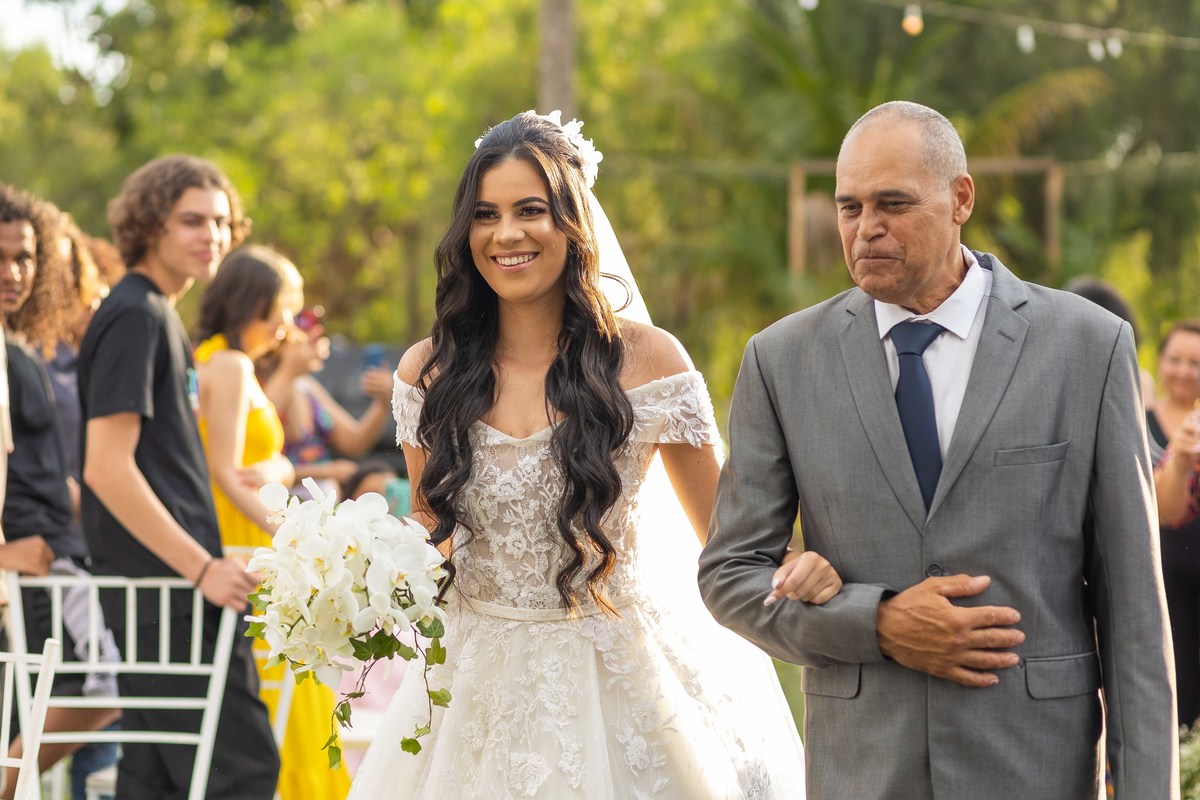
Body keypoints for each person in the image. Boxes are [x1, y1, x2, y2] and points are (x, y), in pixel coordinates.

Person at [349, 110, 842, 799]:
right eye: (486, 215)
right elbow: (433, 540)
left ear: (573, 224)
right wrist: (351, 575)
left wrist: (805, 571)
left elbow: (731, 540)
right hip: (472, 694)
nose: (507, 234)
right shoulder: (428, 373)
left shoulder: (648, 362)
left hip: (618, 679)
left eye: (531, 210)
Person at [698, 100, 1177, 800]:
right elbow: (730, 575)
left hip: (1033, 768)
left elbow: (1135, 616)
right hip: (864, 772)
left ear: (961, 199)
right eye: (850, 207)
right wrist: (879, 624)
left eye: (892, 203)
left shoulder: (1086, 346)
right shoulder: (782, 361)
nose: (867, 229)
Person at [78, 155, 279, 799]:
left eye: (221, 222)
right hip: (168, 593)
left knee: (155, 779)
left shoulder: (155, 313)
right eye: (192, 220)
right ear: (150, 224)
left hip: (165, 593)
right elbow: (105, 468)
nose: (211, 236)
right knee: (242, 773)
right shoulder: (136, 314)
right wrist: (201, 568)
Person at [193, 244, 349, 799]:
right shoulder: (231, 365)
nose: (289, 325)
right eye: (284, 309)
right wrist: (296, 538)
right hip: (244, 538)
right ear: (252, 303)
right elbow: (227, 472)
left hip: (242, 531)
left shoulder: (214, 360)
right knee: (287, 691)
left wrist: (278, 464)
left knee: (282, 691)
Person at [0, 185, 120, 799]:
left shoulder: (17, 348)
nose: (13, 272)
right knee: (109, 686)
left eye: (23, 256)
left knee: (103, 689)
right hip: (32, 566)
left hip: (53, 559)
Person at [259, 323, 395, 498]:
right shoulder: (260, 387)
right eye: (306, 331)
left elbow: (354, 442)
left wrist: (382, 402)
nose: (319, 339)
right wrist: (326, 471)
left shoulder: (307, 387)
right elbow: (256, 459)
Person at [1147, 320, 1200, 727]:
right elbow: (1165, 513)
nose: (1184, 370)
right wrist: (1180, 459)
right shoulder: (1136, 418)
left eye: (1195, 362)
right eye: (1176, 359)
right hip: (1162, 577)